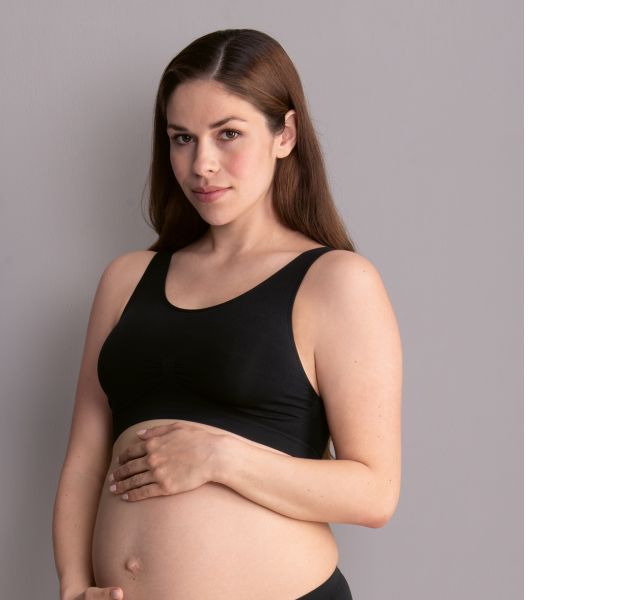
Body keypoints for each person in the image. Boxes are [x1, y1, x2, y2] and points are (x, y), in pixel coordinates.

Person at [52, 28, 402, 600]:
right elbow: (85, 461)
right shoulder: (126, 280)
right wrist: (72, 586)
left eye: (228, 134)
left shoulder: (336, 282)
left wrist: (221, 458)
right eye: (182, 139)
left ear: (285, 135)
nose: (202, 164)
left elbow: (375, 493)